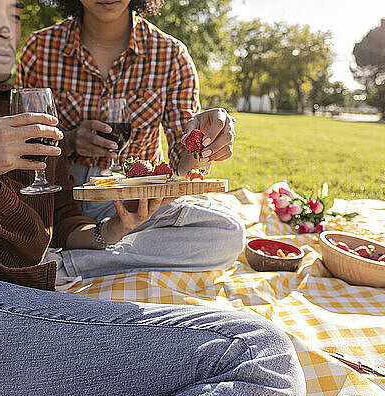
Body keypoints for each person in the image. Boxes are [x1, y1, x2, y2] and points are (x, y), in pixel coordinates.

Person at [0, 0, 306, 396]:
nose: (6, 29)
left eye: (14, 14)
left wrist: (117, 228)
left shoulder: (29, 122)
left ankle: (59, 267)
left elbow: (65, 218)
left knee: (257, 354)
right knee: (255, 354)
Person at [15, 0, 245, 279]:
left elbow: (181, 170)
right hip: (60, 198)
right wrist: (71, 141)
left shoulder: (171, 55)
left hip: (138, 198)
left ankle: (68, 264)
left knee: (227, 232)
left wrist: (202, 141)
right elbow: (21, 140)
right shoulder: (39, 48)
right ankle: (109, 249)